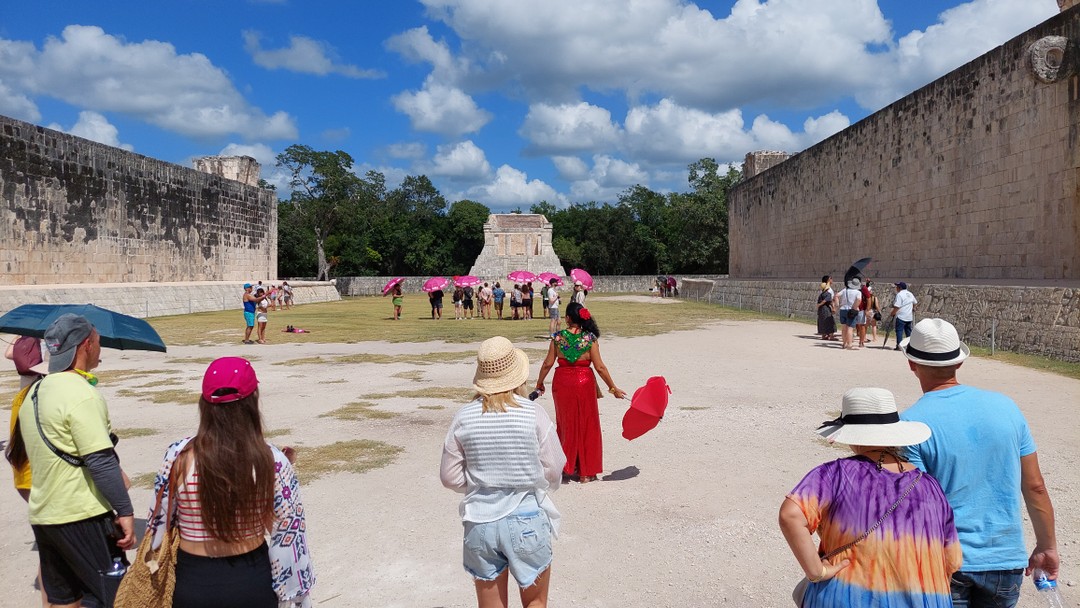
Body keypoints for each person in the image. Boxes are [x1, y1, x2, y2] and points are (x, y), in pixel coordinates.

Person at [899, 319, 1058, 608]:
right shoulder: (1007, 407)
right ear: (959, 363)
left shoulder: (910, 424)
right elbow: (1035, 487)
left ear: (912, 364)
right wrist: (1047, 546)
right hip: (1004, 560)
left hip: (945, 560)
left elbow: (915, 505)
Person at [143, 357, 314, 608]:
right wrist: (295, 597)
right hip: (251, 581)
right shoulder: (272, 460)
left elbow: (158, 521)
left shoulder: (178, 455)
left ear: (204, 404)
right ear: (253, 400)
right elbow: (288, 534)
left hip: (192, 582)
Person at [781, 387, 961, 608]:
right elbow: (952, 561)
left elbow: (791, 515)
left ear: (851, 435)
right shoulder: (931, 486)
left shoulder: (834, 475)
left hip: (846, 598)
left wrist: (817, 571)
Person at [17, 314, 136, 608]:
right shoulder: (82, 395)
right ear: (86, 345)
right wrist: (124, 510)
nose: (99, 348)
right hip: (81, 514)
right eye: (97, 342)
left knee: (64, 599)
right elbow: (101, 462)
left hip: (45, 516)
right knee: (111, 596)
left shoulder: (33, 392)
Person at [441, 337, 564, 608]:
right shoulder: (533, 413)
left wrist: (480, 482)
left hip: (480, 520)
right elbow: (554, 468)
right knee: (535, 603)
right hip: (526, 517)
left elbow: (449, 477)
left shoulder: (464, 416)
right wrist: (531, 479)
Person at [535, 303, 626, 483]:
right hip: (584, 382)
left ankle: (567, 466)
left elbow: (547, 363)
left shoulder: (558, 338)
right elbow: (599, 367)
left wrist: (539, 383)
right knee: (587, 424)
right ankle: (587, 471)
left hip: (562, 383)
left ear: (568, 318)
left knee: (566, 423)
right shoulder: (590, 338)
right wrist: (613, 388)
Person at [833, 278, 862, 350]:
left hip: (843, 309)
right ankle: (850, 344)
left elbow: (836, 295)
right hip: (851, 310)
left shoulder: (845, 290)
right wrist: (854, 308)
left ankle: (844, 343)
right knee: (850, 328)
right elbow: (858, 300)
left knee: (844, 328)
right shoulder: (858, 292)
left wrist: (837, 304)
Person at [890, 282, 917, 351]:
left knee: (899, 331)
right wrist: (913, 308)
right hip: (909, 316)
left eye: (897, 287)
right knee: (908, 332)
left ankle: (899, 346)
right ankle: (910, 346)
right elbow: (915, 302)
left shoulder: (899, 295)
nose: (896, 288)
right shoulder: (910, 294)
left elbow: (897, 306)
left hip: (901, 316)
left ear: (899, 288)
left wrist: (892, 313)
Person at [815, 275, 837, 341]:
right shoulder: (828, 292)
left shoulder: (821, 293)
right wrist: (833, 307)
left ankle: (824, 334)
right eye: (831, 278)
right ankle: (831, 335)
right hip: (826, 308)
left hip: (821, 309)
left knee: (822, 321)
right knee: (829, 321)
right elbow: (829, 300)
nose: (832, 280)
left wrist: (819, 305)